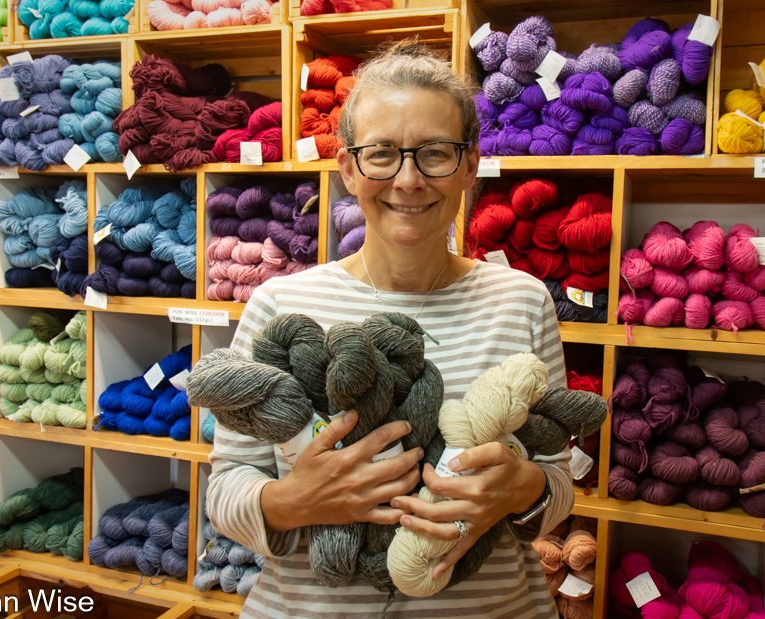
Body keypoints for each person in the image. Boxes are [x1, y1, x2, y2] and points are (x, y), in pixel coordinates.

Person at [206, 40, 573, 618]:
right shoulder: (281, 305)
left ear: (470, 166)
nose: (408, 180)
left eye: (434, 153)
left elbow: (559, 475)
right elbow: (226, 487)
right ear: (348, 168)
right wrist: (293, 501)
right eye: (381, 153)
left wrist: (525, 489)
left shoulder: (522, 300)